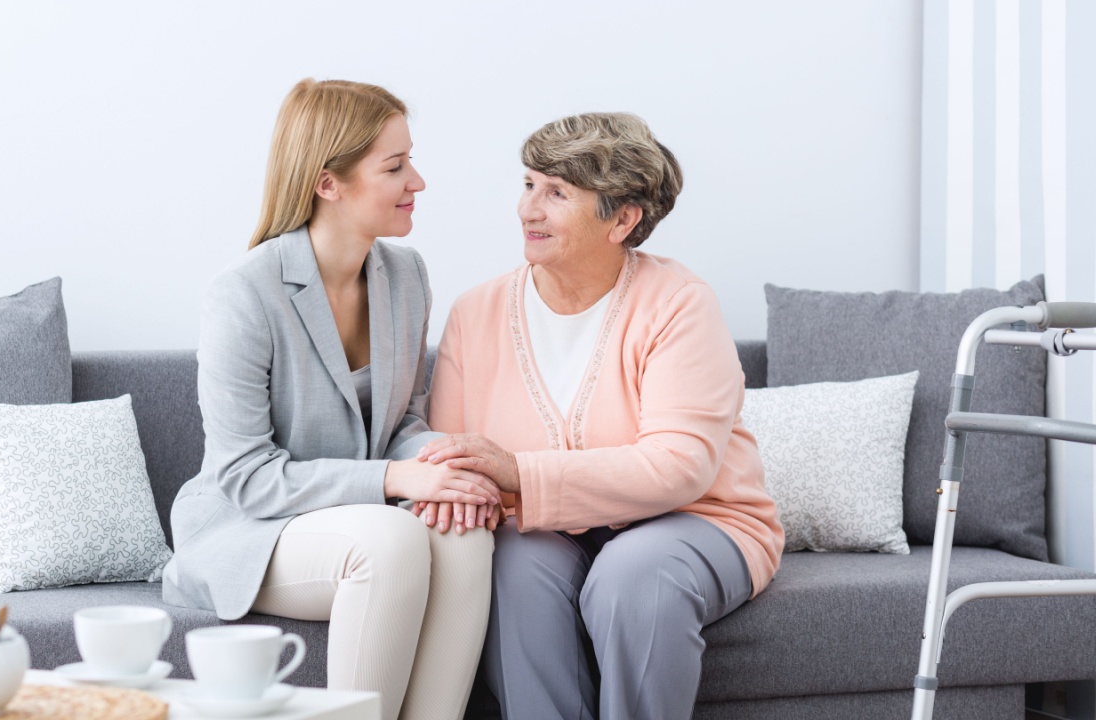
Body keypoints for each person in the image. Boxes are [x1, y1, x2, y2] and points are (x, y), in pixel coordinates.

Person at [416, 112, 784, 720]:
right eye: (529, 184)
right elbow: (455, 457)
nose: (528, 210)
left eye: (556, 193)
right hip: (537, 528)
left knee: (634, 575)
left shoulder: (678, 304)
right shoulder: (474, 312)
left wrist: (515, 470)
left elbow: (679, 467)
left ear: (622, 219)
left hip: (696, 520)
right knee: (506, 562)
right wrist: (470, 486)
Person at [162, 78, 497, 720]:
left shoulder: (407, 276)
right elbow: (246, 477)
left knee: (464, 533)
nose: (418, 181)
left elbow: (402, 422)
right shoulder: (244, 295)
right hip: (251, 526)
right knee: (389, 541)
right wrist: (399, 478)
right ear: (328, 184)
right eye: (395, 167)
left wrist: (443, 467)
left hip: (360, 513)